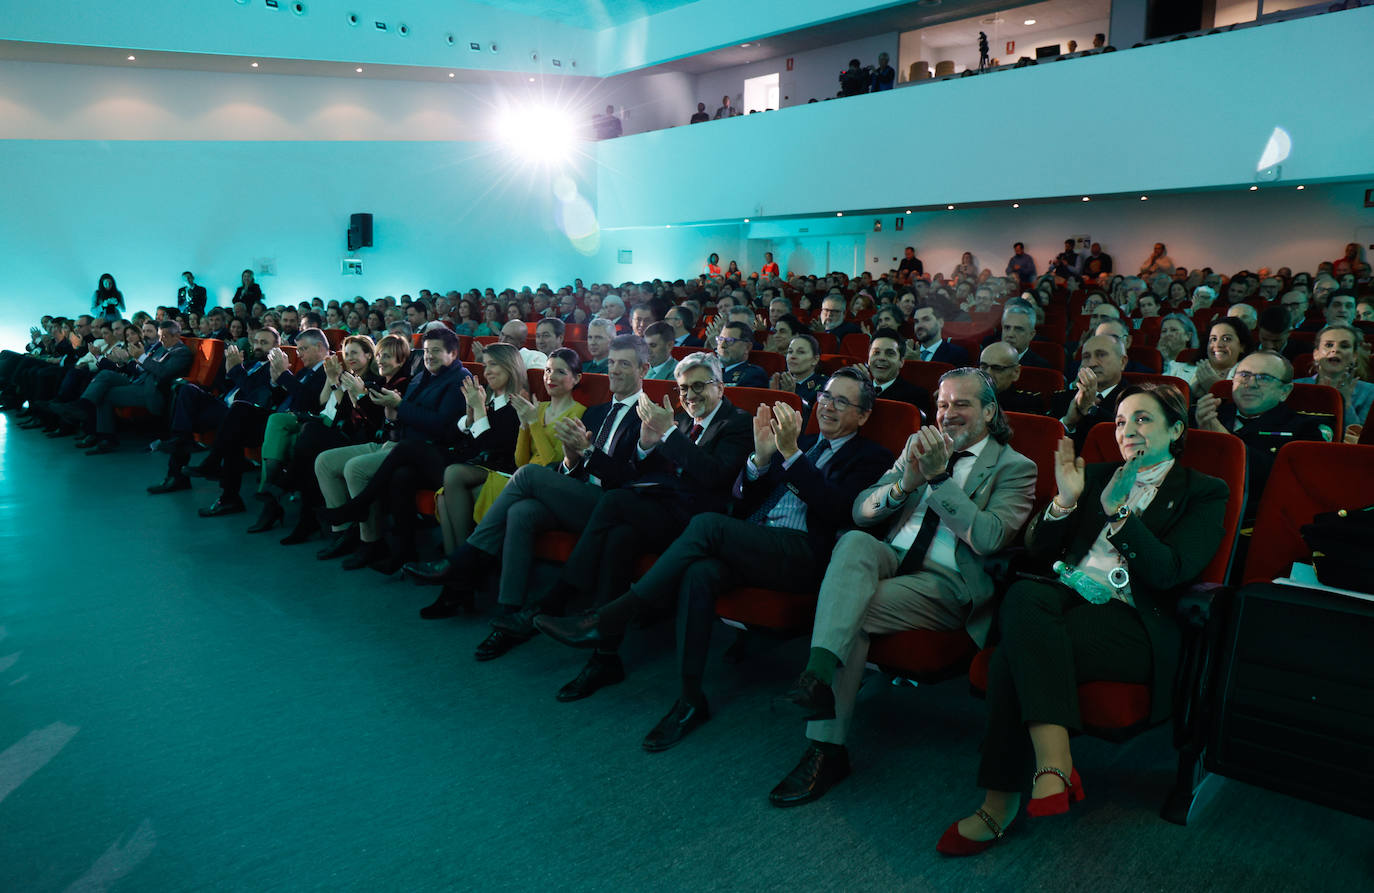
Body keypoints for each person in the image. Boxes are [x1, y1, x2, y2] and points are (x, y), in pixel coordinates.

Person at [534, 367, 894, 750]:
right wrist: (758, 459)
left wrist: (789, 455)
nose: (827, 406)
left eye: (842, 401)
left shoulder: (871, 457)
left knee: (708, 525)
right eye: (824, 396)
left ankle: (611, 616)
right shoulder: (800, 440)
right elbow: (743, 499)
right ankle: (689, 699)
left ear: (863, 415)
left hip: (803, 554)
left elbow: (838, 510)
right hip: (758, 540)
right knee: (700, 572)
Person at [939, 384, 1226, 856]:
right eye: (1118, 422)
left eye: (1142, 419)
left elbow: (1171, 572)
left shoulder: (1203, 492)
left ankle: (1000, 801)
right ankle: (1053, 763)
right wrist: (1066, 502)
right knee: (1026, 592)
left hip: (1133, 623)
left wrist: (1121, 514)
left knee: (1013, 657)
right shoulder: (1093, 475)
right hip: (1061, 600)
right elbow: (1036, 550)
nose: (1127, 430)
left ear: (1176, 430)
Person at [770, 368, 1037, 805]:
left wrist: (938, 480)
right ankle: (817, 679)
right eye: (943, 404)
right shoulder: (919, 445)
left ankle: (825, 747)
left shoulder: (1016, 468)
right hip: (891, 559)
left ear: (989, 411)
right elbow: (861, 511)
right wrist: (906, 483)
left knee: (849, 609)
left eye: (962, 404)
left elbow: (989, 538)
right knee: (854, 541)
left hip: (946, 583)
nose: (948, 414)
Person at [401, 335, 650, 624]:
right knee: (522, 511)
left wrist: (585, 452)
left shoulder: (649, 417)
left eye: (624, 364)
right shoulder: (597, 412)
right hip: (574, 494)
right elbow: (567, 468)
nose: (615, 370)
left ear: (643, 370)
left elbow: (631, 480)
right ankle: (510, 611)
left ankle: (464, 561)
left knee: (528, 474)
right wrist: (572, 458)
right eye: (611, 363)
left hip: (610, 506)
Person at [313, 327, 471, 569]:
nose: (429, 356)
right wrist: (391, 413)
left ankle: (363, 522)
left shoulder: (460, 379)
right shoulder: (421, 377)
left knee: (359, 468)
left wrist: (400, 407)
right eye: (427, 351)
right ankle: (378, 544)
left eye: (436, 351)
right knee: (331, 462)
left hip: (435, 453)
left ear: (453, 353)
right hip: (399, 444)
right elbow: (399, 418)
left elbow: (443, 427)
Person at [276, 334, 411, 545]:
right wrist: (333, 382)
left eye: (354, 353)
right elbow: (335, 409)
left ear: (368, 355)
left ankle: (288, 491)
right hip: (349, 431)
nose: (349, 358)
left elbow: (370, 422)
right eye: (346, 354)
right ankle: (337, 529)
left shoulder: (384, 382)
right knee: (311, 446)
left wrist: (357, 394)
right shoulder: (361, 378)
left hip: (362, 437)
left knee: (311, 436)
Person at [191, 328, 331, 518]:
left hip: (298, 425)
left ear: (320, 347)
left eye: (303, 349)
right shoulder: (306, 371)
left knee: (237, 420)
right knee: (237, 418)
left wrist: (283, 376)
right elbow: (280, 397)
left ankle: (218, 473)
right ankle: (227, 493)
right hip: (278, 417)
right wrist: (276, 382)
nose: (299, 354)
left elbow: (311, 401)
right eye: (298, 349)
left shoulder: (328, 369)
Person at [1193, 351, 1332, 518]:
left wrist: (1225, 441)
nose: (1250, 384)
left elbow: (1286, 484)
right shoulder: (1206, 413)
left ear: (1285, 391)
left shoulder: (1305, 429)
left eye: (1264, 378)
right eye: (1244, 375)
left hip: (1252, 519)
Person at [64, 320, 192, 453]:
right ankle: (84, 405)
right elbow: (142, 368)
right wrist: (129, 361)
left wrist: (141, 357)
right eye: (160, 336)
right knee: (105, 374)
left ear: (176, 336)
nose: (161, 339)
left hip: (152, 390)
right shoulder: (161, 348)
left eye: (164, 336)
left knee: (106, 394)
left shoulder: (181, 352)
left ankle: (105, 438)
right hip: (138, 381)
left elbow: (163, 372)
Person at [1055, 334, 1126, 451]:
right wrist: (1068, 422)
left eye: (1101, 355)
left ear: (1122, 362)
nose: (1092, 363)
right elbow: (1045, 446)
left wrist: (1091, 409)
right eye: (1086, 357)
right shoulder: (1063, 398)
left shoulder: (1135, 398)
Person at [1295, 323, 1373, 428]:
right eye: (1329, 345)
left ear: (1354, 356)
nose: (1335, 350)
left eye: (1344, 346)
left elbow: (1359, 438)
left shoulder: (1370, 392)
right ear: (1316, 354)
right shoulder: (1294, 387)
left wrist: (1345, 404)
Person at [867, 329, 929, 414]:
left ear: (901, 362)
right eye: (876, 352)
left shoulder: (916, 397)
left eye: (890, 353)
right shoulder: (858, 390)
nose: (881, 358)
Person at [980, 342, 1048, 414]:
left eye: (997, 368)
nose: (988, 373)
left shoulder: (1028, 404)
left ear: (1016, 372)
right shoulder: (969, 397)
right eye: (984, 367)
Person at [1191, 317, 1249, 398]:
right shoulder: (1179, 369)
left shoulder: (1250, 377)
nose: (1218, 345)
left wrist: (1217, 388)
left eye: (1226, 339)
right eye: (1213, 339)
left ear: (1242, 346)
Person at [998, 300, 1050, 368]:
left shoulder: (1041, 367)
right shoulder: (988, 358)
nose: (1010, 334)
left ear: (1031, 335)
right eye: (1007, 328)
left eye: (1018, 329)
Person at [716, 321, 769, 388]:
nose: (722, 345)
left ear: (747, 347)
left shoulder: (752, 375)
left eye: (729, 341)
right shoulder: (709, 369)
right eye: (720, 339)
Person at [1156, 313, 1201, 387]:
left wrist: (1169, 360)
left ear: (1188, 336)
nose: (1168, 334)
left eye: (1173, 330)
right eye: (1164, 331)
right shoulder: (1153, 363)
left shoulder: (1197, 365)